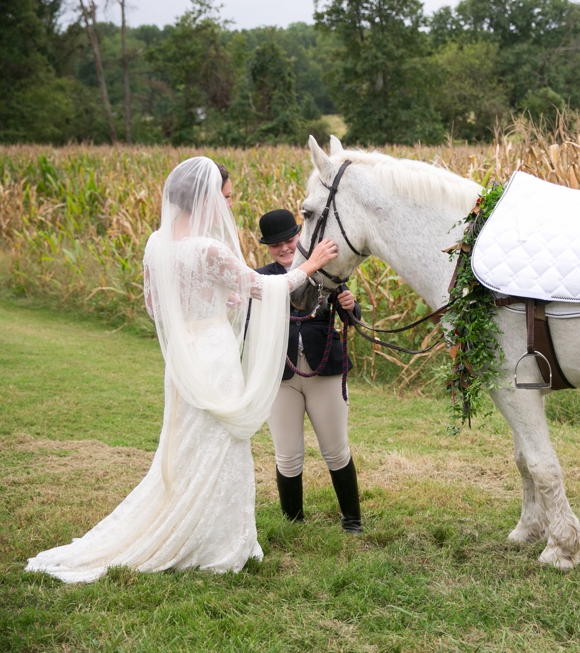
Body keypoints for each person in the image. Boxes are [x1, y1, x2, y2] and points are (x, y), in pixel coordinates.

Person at [25, 157, 340, 583]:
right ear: (206, 198)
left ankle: (198, 525)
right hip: (212, 356)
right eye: (226, 197)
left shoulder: (156, 243)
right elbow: (263, 286)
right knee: (221, 444)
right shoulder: (207, 248)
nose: (230, 204)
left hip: (182, 357)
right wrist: (311, 263)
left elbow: (157, 305)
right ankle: (216, 542)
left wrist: (212, 299)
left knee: (189, 443)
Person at [255, 209, 363, 533]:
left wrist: (350, 306)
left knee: (335, 448)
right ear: (267, 248)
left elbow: (351, 319)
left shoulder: (327, 272)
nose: (285, 248)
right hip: (281, 376)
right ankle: (293, 522)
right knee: (287, 454)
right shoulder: (262, 278)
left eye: (289, 239)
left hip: (324, 370)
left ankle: (353, 521)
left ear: (299, 235)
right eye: (276, 245)